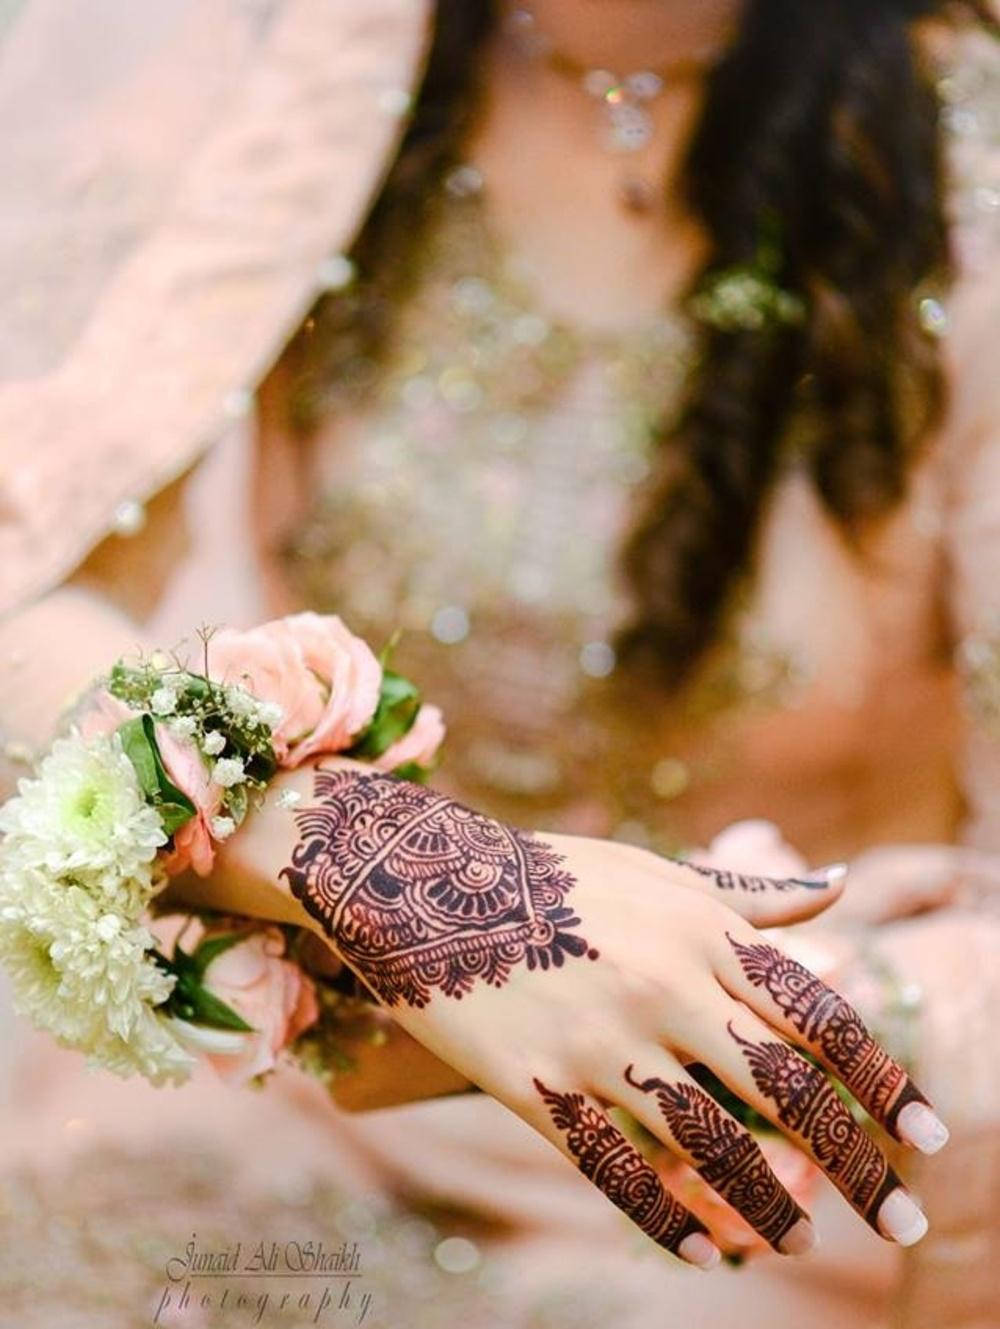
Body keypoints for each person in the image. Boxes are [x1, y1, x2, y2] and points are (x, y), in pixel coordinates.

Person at [0, 1, 997, 1326]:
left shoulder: (966, 162)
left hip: (754, 1184)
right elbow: (26, 578)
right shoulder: (292, 68)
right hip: (280, 1117)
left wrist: (746, 1007)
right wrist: (383, 866)